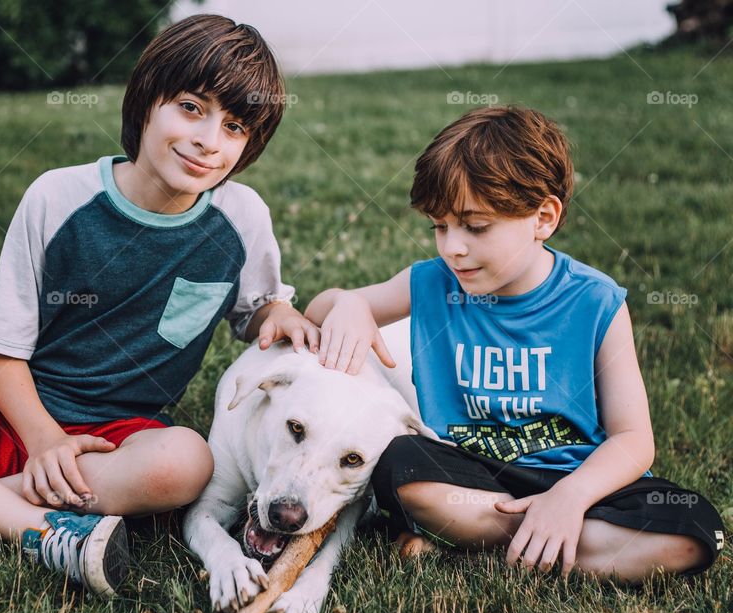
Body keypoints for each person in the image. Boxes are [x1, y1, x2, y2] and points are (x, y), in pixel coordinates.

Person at [0, 14, 318, 596]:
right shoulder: (58, 198)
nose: (208, 139)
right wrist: (42, 440)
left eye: (235, 126)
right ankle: (40, 528)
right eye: (192, 107)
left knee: (186, 462)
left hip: (114, 443)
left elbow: (257, 312)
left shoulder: (241, 218)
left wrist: (279, 315)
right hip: (1, 411)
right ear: (145, 101)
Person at [305, 106, 723, 582]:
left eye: (475, 227)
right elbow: (319, 312)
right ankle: (555, 541)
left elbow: (633, 440)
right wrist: (350, 303)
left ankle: (486, 537)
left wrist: (569, 498)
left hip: (575, 478)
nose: (452, 247)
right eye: (439, 227)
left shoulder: (596, 301)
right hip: (469, 474)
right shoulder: (431, 283)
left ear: (543, 217)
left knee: (693, 531)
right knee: (401, 466)